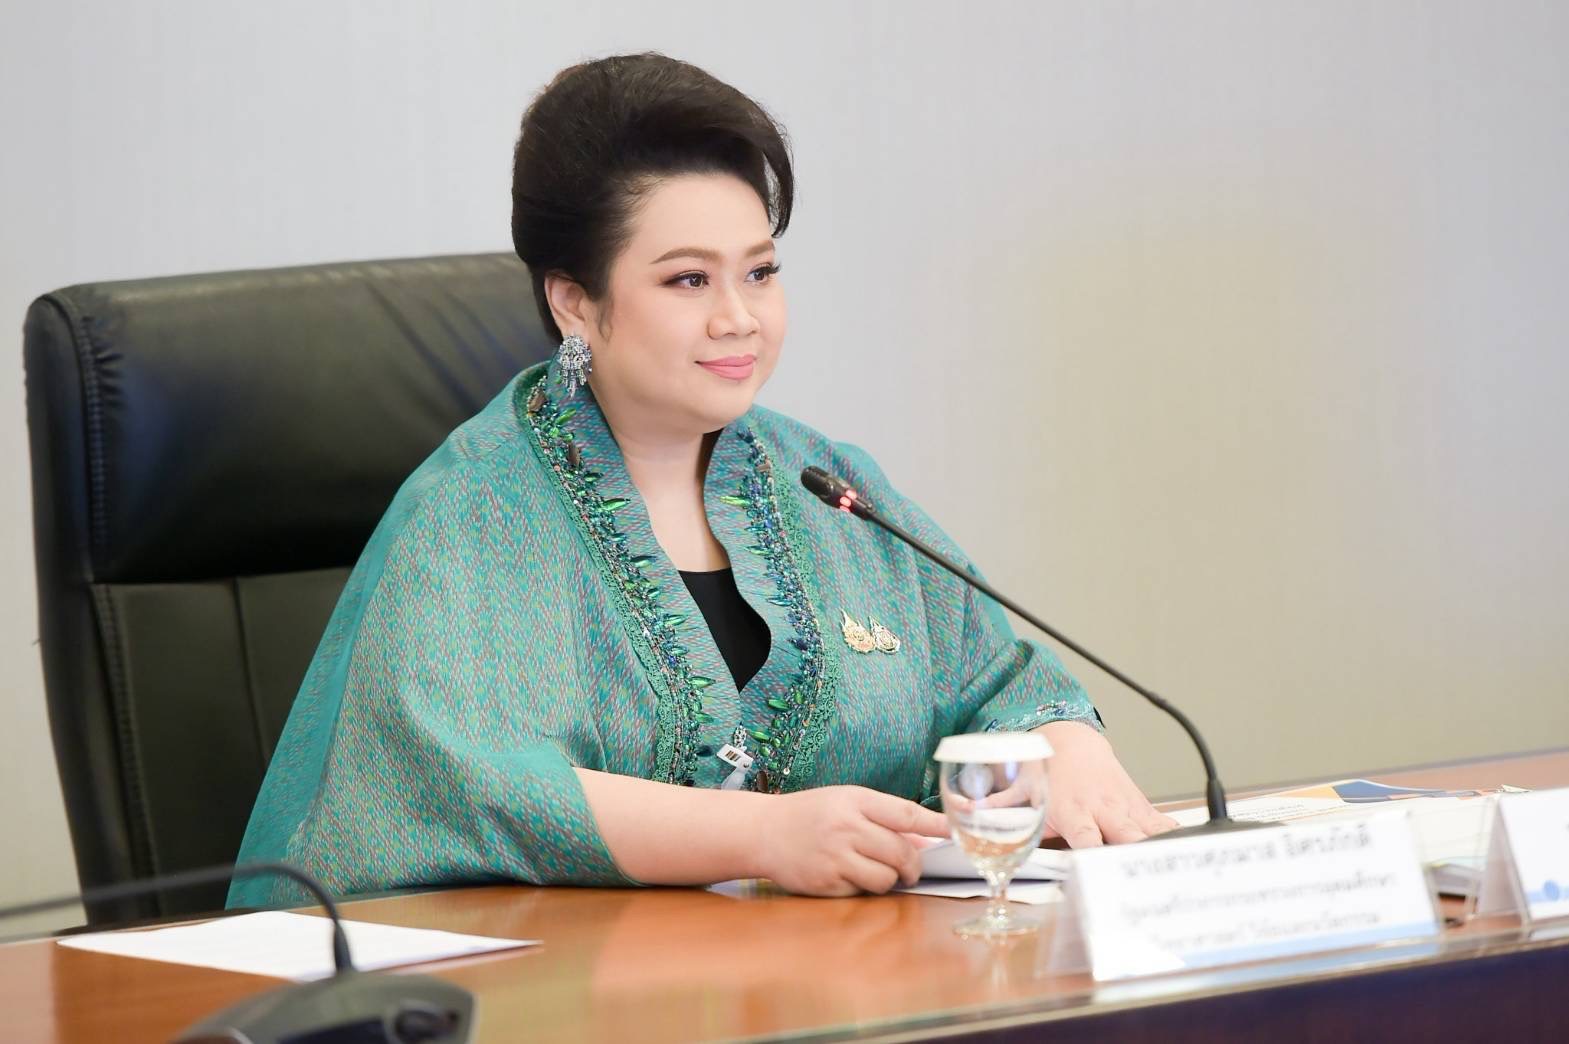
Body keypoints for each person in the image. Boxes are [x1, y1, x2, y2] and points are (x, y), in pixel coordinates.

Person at [229, 53, 1174, 908]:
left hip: (848, 982)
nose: (739, 318)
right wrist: (761, 834)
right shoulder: (475, 512)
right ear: (574, 302)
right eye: (688, 281)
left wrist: (1066, 742)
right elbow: (464, 784)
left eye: (759, 273)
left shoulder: (827, 483)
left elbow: (993, 679)